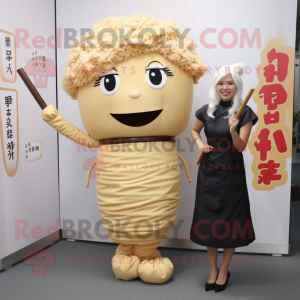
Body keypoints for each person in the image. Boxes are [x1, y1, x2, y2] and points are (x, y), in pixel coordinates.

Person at [190, 63, 258, 292]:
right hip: (208, 172)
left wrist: (232, 130)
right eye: (221, 83)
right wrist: (201, 145)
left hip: (232, 175)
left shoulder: (244, 112)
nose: (225, 87)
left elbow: (240, 148)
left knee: (230, 223)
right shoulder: (207, 110)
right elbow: (194, 130)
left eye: (230, 83)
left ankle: (225, 268)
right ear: (215, 86)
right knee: (209, 223)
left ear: (236, 86)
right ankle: (212, 268)